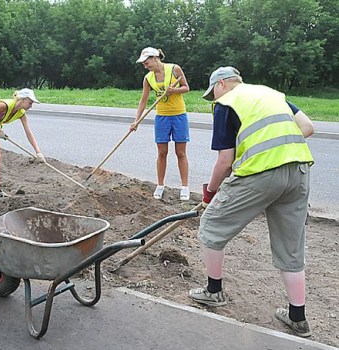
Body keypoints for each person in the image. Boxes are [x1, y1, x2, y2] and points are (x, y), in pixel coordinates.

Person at [188, 66, 315, 338]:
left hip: (262, 173)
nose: (214, 98)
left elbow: (225, 160)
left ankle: (213, 291)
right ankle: (298, 318)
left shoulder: (227, 102)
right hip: (299, 172)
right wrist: (274, 146)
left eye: (213, 93)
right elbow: (307, 127)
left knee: (211, 225)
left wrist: (210, 193)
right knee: (290, 247)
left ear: (221, 84)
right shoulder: (271, 94)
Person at [131, 47, 191, 201]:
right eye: (143, 64)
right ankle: (160, 185)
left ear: (155, 57)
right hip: (162, 117)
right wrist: (136, 120)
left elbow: (186, 88)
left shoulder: (174, 69)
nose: (145, 66)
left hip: (179, 115)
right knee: (162, 153)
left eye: (146, 62)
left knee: (181, 153)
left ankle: (184, 187)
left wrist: (174, 91)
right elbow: (143, 100)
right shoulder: (148, 78)